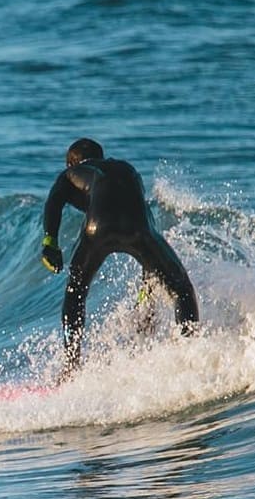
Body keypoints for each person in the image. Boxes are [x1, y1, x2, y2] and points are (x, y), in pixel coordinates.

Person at [40, 138, 198, 373]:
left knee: (76, 293)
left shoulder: (71, 174)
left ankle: (70, 368)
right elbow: (148, 223)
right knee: (182, 290)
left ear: (70, 164)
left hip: (97, 229)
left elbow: (54, 201)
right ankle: (192, 358)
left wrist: (50, 241)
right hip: (138, 230)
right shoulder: (126, 170)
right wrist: (149, 282)